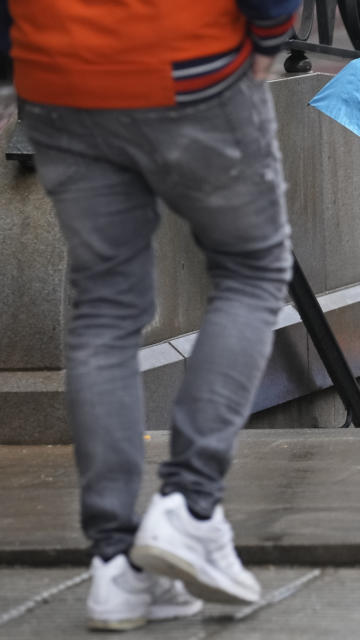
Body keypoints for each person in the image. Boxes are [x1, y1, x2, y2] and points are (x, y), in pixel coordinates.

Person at [6, 0, 300, 631]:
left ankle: (114, 563)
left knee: (103, 311)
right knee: (252, 271)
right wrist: (271, 35)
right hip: (189, 59)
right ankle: (190, 506)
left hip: (57, 72)